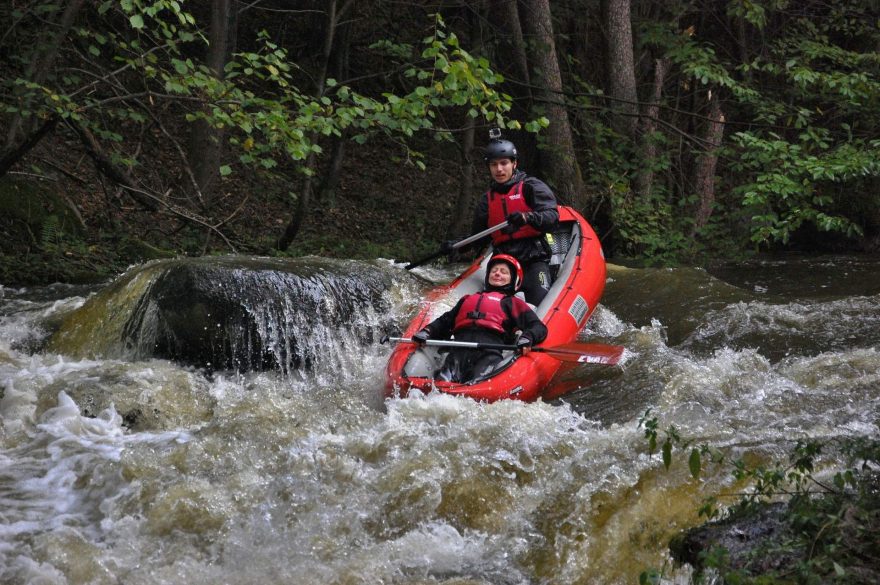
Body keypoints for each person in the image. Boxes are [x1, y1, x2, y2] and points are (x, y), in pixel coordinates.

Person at [446, 137, 559, 306]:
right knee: (490, 306)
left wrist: (527, 217)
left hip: (533, 257)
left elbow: (552, 217)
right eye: (493, 164)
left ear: (514, 164)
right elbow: (480, 236)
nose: (499, 169)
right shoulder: (487, 200)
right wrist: (458, 246)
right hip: (503, 260)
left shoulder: (531, 186)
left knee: (540, 302)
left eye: (504, 163)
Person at [411, 254, 548, 383]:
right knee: (439, 386)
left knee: (474, 387)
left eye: (503, 272)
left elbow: (537, 326)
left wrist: (527, 337)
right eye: (494, 270)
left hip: (488, 355)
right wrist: (427, 331)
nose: (497, 273)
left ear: (514, 280)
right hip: (457, 354)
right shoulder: (467, 299)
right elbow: (444, 321)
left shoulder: (512, 303)